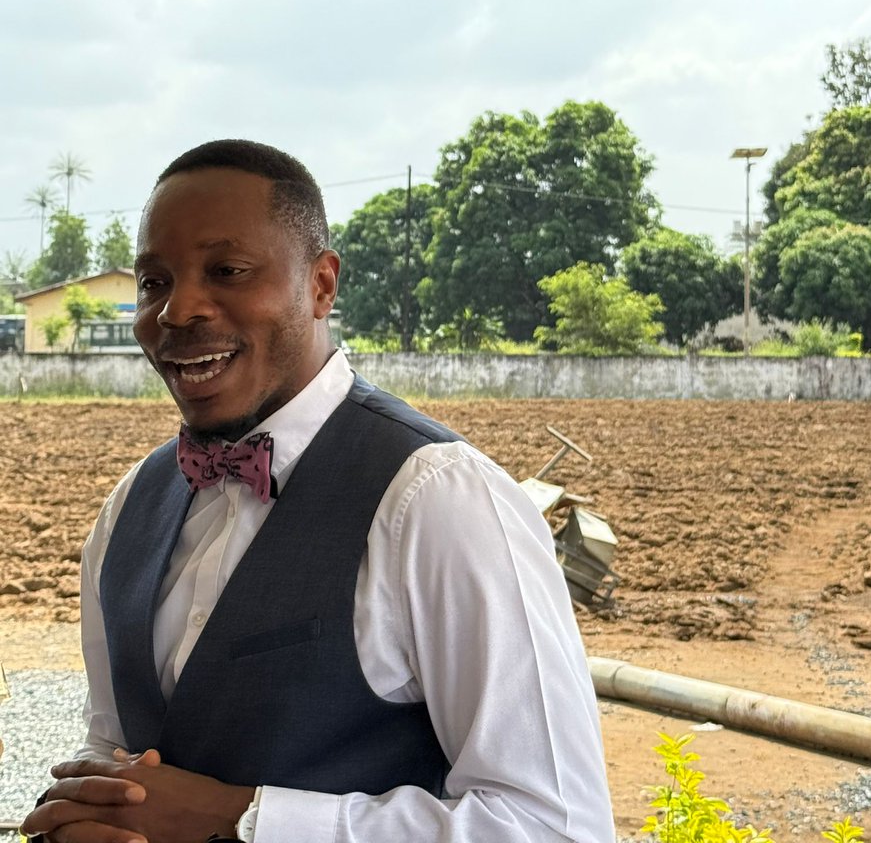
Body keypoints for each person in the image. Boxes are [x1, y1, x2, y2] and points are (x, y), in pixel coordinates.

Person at [23, 139, 615, 843]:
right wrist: (84, 811)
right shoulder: (129, 508)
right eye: (154, 282)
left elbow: (555, 826)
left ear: (322, 285)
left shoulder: (437, 501)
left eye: (227, 271)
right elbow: (113, 744)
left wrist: (239, 818)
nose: (177, 311)